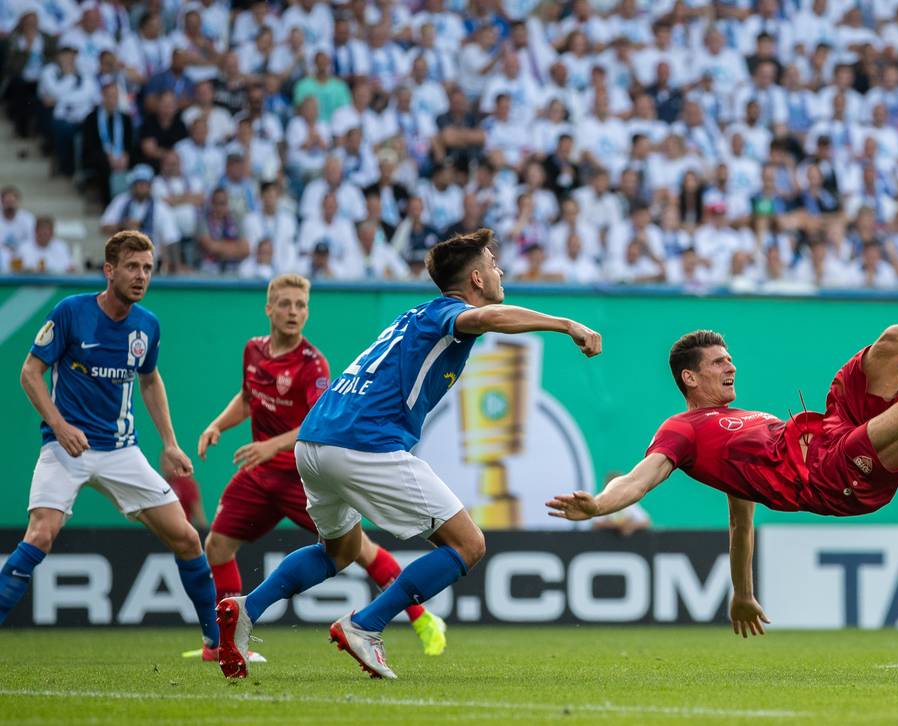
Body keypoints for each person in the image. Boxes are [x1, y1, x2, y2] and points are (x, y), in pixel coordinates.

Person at [216, 229, 602, 679]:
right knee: (469, 545)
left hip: (314, 442)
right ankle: (366, 625)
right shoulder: (449, 313)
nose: (500, 271)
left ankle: (247, 608)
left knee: (338, 552)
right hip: (363, 442)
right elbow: (489, 318)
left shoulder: (416, 314)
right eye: (493, 264)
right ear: (476, 279)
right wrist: (566, 324)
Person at [547, 312, 898, 635]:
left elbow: (740, 524)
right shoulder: (682, 430)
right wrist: (599, 504)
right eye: (718, 362)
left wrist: (742, 594)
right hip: (833, 476)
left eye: (730, 357)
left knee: (895, 340)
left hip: (835, 425)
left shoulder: (736, 427)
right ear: (689, 378)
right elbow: (640, 478)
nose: (731, 365)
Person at [196, 273, 447, 660]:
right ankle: (222, 640)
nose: (293, 312)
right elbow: (248, 398)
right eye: (285, 304)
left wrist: (269, 446)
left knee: (357, 549)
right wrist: (217, 425)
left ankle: (422, 619)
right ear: (269, 309)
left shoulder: (313, 364)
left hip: (300, 473)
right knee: (216, 545)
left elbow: (316, 421)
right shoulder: (253, 350)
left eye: (301, 305)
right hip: (260, 475)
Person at [0, 231, 217, 658]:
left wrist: (170, 443)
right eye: (132, 267)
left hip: (121, 451)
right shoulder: (71, 312)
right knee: (41, 534)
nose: (141, 276)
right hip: (66, 448)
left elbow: (150, 380)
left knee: (188, 539)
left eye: (148, 268)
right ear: (109, 270)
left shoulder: (147, 325)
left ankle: (216, 643)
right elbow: (30, 372)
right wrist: (60, 425)